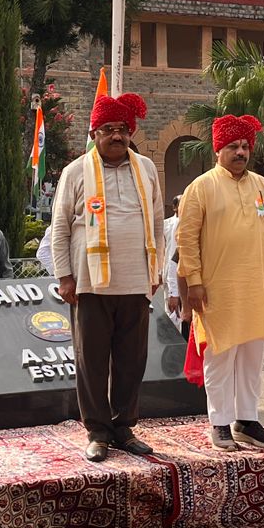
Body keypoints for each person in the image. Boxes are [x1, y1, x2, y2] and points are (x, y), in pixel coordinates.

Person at [50, 91, 164, 462]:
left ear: (131, 132)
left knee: (131, 361)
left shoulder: (146, 168)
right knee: (92, 362)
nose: (117, 135)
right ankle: (98, 432)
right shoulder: (75, 171)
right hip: (90, 284)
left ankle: (124, 428)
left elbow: (157, 224)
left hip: (135, 281)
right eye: (109, 129)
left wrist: (156, 269)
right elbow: (60, 227)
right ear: (94, 133)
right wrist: (65, 276)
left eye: (123, 129)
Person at [176, 114, 264, 451]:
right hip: (217, 290)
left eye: (245, 146)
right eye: (233, 147)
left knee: (252, 359)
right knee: (221, 358)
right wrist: (194, 283)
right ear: (218, 150)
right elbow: (186, 240)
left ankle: (247, 420)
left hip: (257, 288)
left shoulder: (262, 186)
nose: (240, 152)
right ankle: (220, 423)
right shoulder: (201, 187)